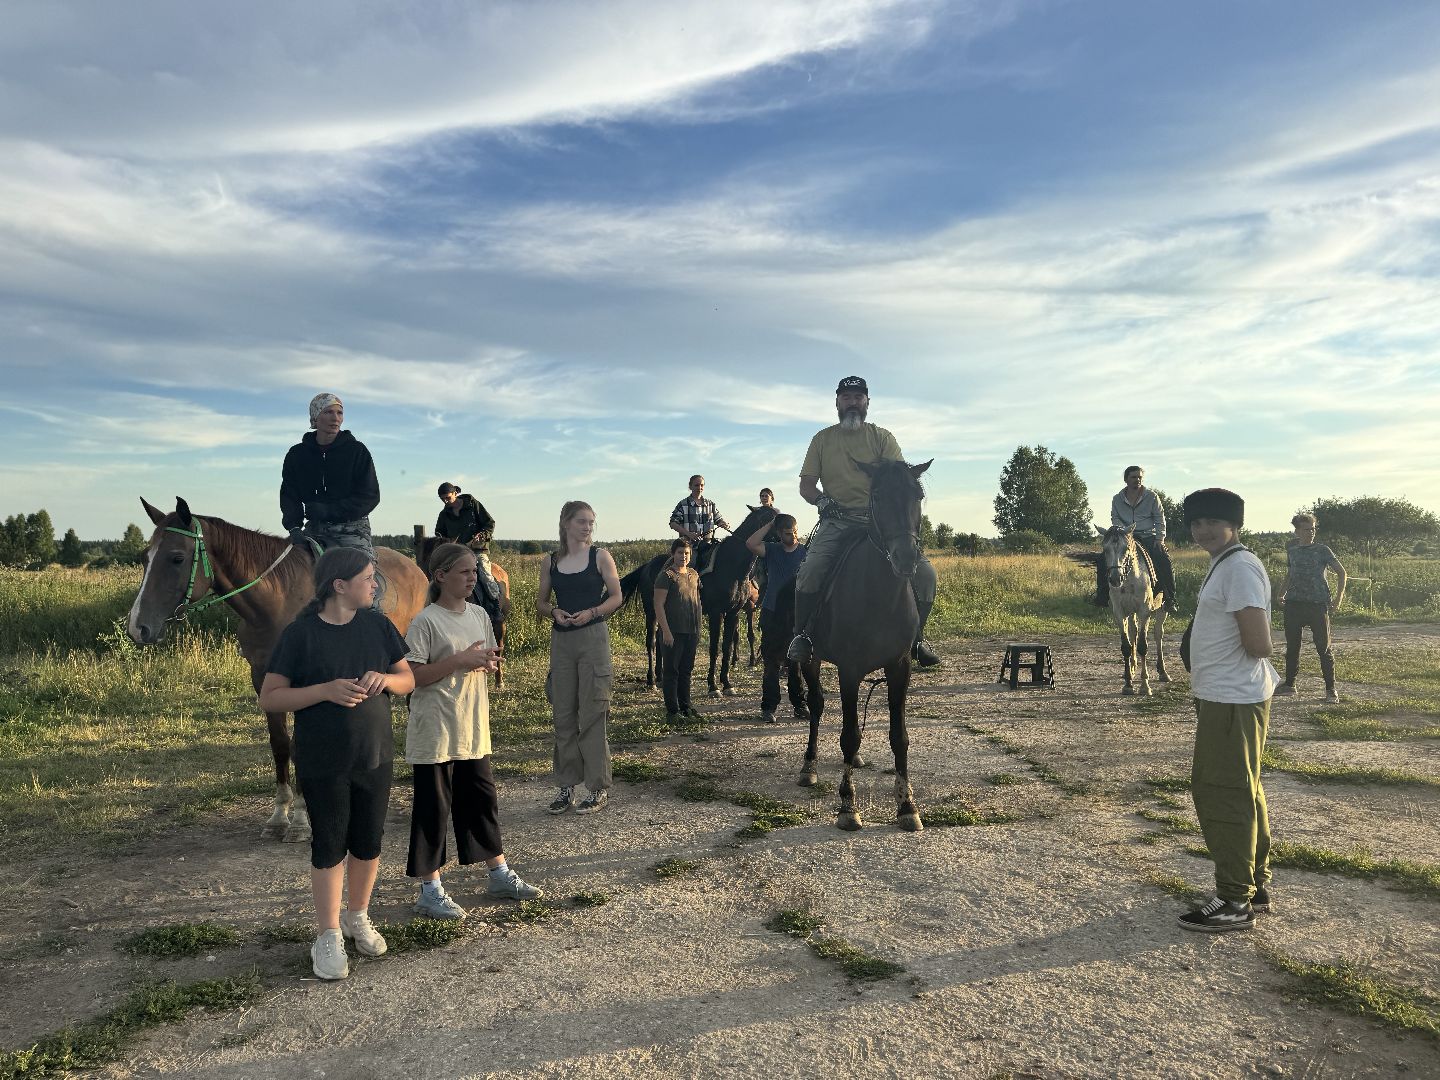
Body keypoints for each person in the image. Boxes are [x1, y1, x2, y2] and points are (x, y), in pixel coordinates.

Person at [258, 547, 414, 980]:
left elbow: (408, 679)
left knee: (368, 841)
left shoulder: (378, 626)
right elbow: (270, 697)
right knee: (329, 844)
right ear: (339, 585)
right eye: (368, 577)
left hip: (375, 754)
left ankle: (357, 916)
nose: (375, 585)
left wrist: (387, 680)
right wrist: (324, 690)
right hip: (323, 760)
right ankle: (327, 935)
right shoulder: (300, 634)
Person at [403, 543, 541, 920]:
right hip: (435, 731)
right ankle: (430, 889)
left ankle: (498, 873)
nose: (473, 578)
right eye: (464, 572)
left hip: (472, 726)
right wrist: (460, 660)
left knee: (482, 801)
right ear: (441, 576)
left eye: (474, 572)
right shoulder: (425, 622)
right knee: (434, 809)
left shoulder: (480, 614)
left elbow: (490, 657)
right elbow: (412, 677)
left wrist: (488, 662)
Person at [1178, 488, 1280, 932]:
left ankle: (1234, 900)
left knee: (1222, 791)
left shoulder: (1239, 567)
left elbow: (1258, 643)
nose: (1203, 531)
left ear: (1234, 524)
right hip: (1226, 695)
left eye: (1212, 523)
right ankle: (1253, 887)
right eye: (1196, 523)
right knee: (1244, 787)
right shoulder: (1226, 564)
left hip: (1233, 698)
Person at [786, 376, 940, 668]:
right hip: (837, 520)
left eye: (858, 397)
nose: (852, 402)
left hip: (879, 523)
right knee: (810, 570)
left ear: (867, 403)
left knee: (926, 575)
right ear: (837, 403)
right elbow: (806, 486)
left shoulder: (882, 437)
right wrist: (821, 501)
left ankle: (917, 637)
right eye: (846, 397)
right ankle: (803, 636)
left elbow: (898, 475)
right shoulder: (822, 439)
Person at [537, 501, 623, 815]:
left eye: (591, 522)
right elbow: (542, 603)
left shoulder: (600, 556)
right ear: (565, 523)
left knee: (592, 713)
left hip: (593, 639)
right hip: (562, 642)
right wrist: (554, 612)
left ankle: (597, 788)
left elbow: (616, 597)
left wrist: (592, 612)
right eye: (582, 522)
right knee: (563, 713)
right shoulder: (550, 561)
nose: (588, 527)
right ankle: (566, 786)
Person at [280, 393, 385, 603]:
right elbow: (289, 494)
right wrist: (293, 528)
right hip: (314, 528)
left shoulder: (357, 451)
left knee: (363, 584)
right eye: (328, 412)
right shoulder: (297, 454)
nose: (335, 417)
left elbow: (370, 496)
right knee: (281, 570)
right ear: (315, 418)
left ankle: (373, 623)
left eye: (339, 412)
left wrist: (330, 510)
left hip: (352, 528)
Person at [1276, 513, 1346, 704]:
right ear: (1297, 531)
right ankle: (1290, 684)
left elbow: (1341, 573)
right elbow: (1290, 573)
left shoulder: (1323, 550)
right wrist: (1281, 593)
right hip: (1294, 604)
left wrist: (1338, 598)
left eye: (1313, 528)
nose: (1311, 532)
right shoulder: (1292, 550)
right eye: (1307, 529)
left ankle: (1331, 690)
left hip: (1317, 605)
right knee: (1292, 647)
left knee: (1324, 648)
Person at [747, 513, 808, 723]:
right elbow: (751, 543)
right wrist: (771, 523)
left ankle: (799, 705)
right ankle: (768, 707)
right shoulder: (772, 550)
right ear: (779, 533)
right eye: (787, 533)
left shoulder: (805, 552)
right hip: (772, 613)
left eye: (794, 532)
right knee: (771, 664)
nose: (792, 536)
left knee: (796, 663)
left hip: (797, 615)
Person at [1097, 466, 1177, 613]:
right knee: (1103, 558)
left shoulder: (1152, 496)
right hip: (1126, 535)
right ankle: (1102, 595)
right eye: (1134, 477)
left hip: (1147, 535)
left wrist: (1160, 539)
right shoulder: (1117, 499)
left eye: (1140, 477)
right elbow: (1115, 517)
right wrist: (1124, 531)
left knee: (1164, 559)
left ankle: (1170, 598)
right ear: (1126, 479)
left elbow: (1160, 518)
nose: (1137, 480)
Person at [653, 539, 702, 724]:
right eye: (680, 553)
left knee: (686, 670)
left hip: (691, 630)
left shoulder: (694, 574)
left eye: (687, 553)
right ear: (673, 554)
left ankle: (686, 706)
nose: (683, 556)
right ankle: (672, 711)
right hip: (672, 631)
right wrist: (665, 631)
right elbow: (658, 605)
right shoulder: (666, 576)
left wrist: (698, 627)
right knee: (671, 671)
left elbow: (697, 600)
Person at [670, 475, 729, 575]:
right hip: (690, 546)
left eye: (701, 485)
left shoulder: (710, 504)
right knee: (690, 565)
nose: (699, 488)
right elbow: (673, 523)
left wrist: (723, 523)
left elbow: (718, 519)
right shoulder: (683, 504)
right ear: (690, 487)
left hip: (709, 545)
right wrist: (688, 534)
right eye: (696, 485)